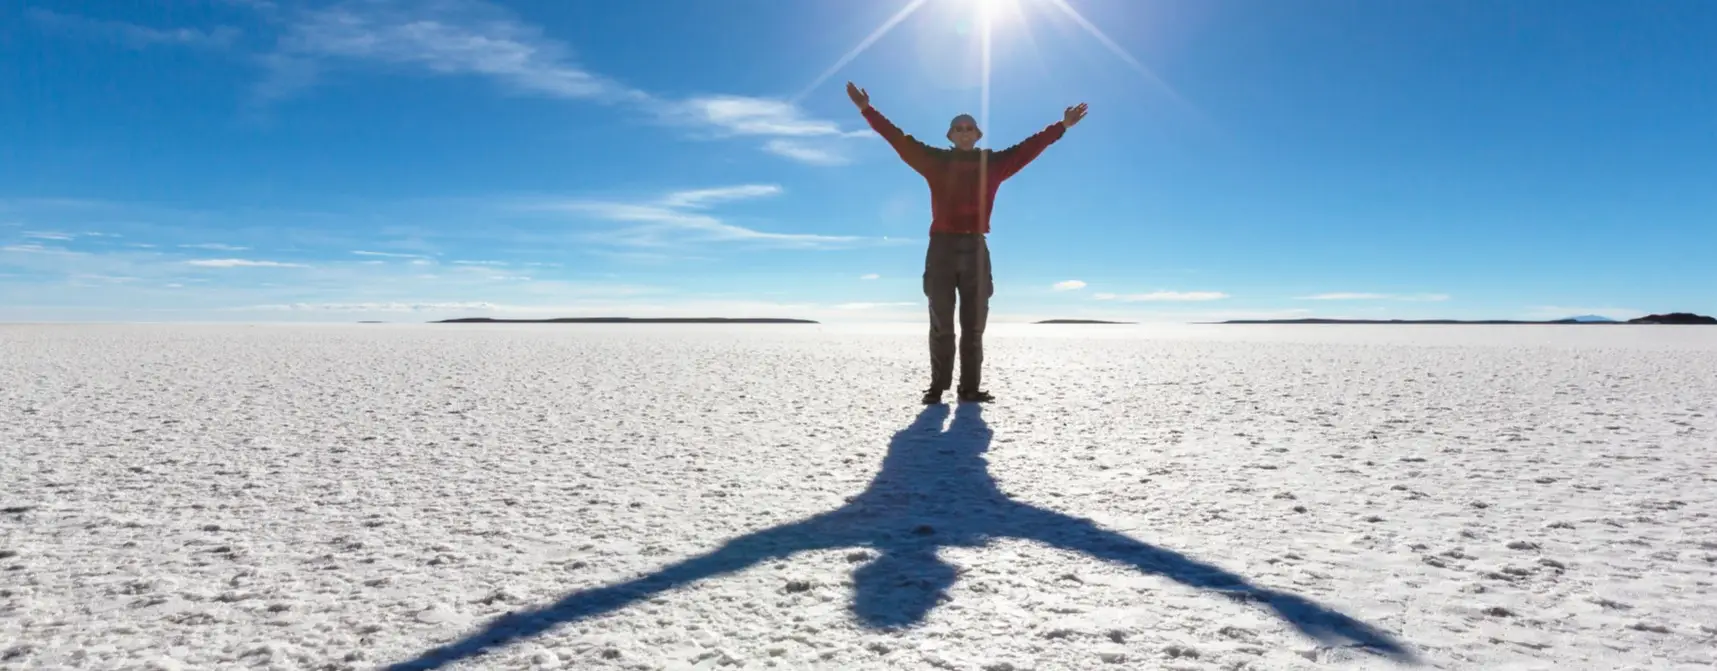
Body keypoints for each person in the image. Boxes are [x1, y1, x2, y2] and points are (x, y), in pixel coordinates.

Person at [846, 81, 1087, 405]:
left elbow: (1030, 147)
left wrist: (1061, 127)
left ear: (977, 135)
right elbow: (897, 139)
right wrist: (866, 110)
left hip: (975, 249)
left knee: (974, 327)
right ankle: (937, 387)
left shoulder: (994, 164)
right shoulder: (934, 161)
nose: (963, 132)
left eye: (969, 128)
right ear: (950, 136)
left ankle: (969, 389)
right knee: (942, 324)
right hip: (942, 249)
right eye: (958, 128)